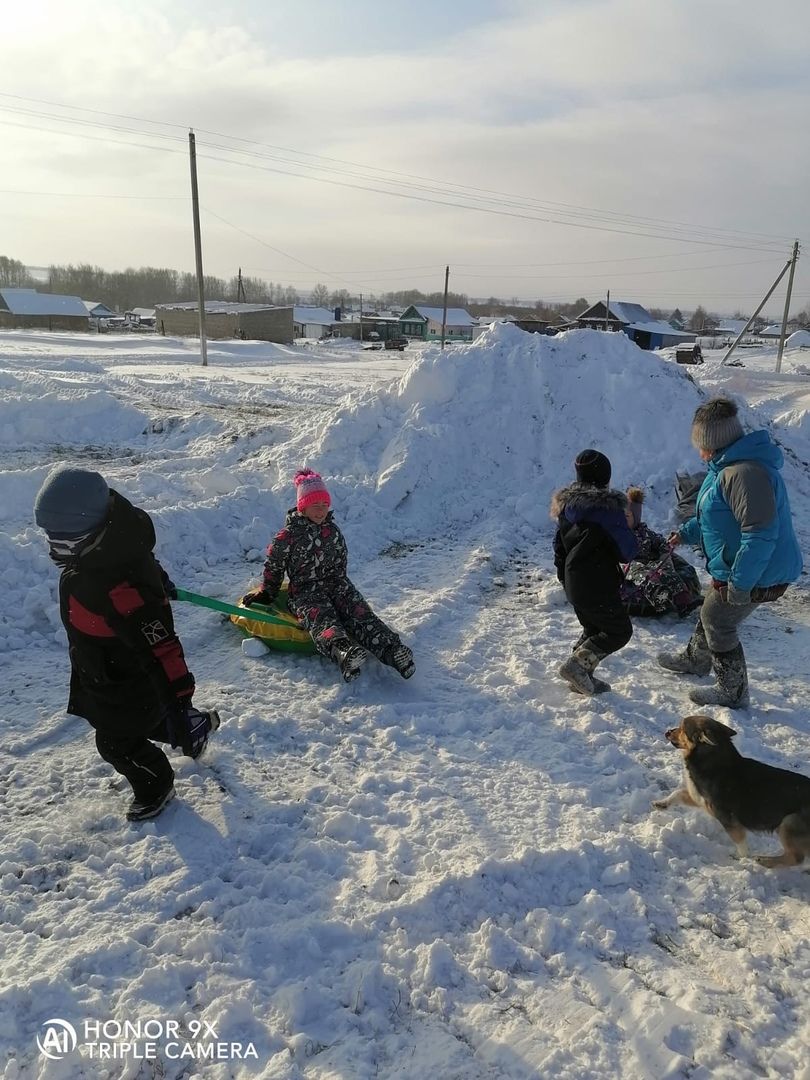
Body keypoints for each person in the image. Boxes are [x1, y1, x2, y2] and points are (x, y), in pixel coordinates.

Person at [34, 467, 219, 822]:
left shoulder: (119, 589)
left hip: (128, 679)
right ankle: (193, 729)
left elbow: (162, 649)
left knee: (116, 742)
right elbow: (145, 561)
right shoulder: (111, 546)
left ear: (92, 529)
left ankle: (157, 785)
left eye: (62, 542)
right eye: (49, 539)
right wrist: (160, 580)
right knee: (143, 722)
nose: (54, 550)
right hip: (103, 667)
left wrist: (180, 701)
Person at [658, 397, 803, 708]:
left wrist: (741, 583)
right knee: (711, 611)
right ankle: (697, 659)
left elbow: (760, 534)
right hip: (740, 566)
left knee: (719, 621)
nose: (698, 452)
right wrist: (684, 534)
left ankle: (732, 691)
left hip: (759, 572)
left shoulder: (745, 474)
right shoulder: (724, 468)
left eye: (701, 444)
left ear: (714, 442)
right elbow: (715, 519)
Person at [243, 469, 415, 683]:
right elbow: (274, 565)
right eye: (315, 505)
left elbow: (341, 560)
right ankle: (344, 653)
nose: (321, 510)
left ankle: (392, 651)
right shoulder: (287, 537)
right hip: (306, 591)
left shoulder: (332, 531)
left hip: (337, 584)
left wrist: (341, 589)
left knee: (360, 613)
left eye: (324, 505)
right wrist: (267, 593)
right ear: (302, 506)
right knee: (322, 619)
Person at [552, 449, 639, 695]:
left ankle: (581, 675)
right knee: (619, 631)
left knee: (593, 629)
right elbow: (627, 551)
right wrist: (631, 527)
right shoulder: (608, 511)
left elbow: (559, 546)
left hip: (573, 580)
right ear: (605, 478)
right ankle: (577, 667)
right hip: (598, 582)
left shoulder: (567, 507)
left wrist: (563, 577)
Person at [619, 487, 703, 618]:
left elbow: (661, 543)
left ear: (635, 518)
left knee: (666, 571)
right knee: (644, 575)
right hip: (631, 565)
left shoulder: (645, 533)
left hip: (652, 561)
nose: (623, 520)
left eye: (627, 516)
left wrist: (664, 554)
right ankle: (660, 598)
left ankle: (684, 600)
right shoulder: (619, 534)